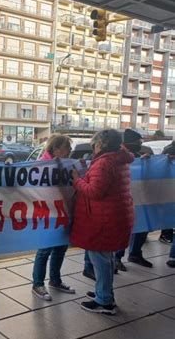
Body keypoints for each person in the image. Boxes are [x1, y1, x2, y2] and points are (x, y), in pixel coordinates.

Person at [71, 129, 134, 315]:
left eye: (95, 143)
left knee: (100, 260)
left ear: (102, 144)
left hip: (103, 218)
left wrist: (76, 180)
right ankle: (104, 293)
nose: (94, 146)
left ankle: (104, 301)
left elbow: (94, 191)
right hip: (113, 215)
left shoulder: (105, 162)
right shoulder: (116, 158)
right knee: (105, 259)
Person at [32, 134, 76, 301]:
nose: (70, 150)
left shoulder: (66, 164)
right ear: (56, 149)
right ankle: (37, 284)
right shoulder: (42, 164)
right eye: (67, 147)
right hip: (48, 213)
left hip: (64, 212)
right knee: (45, 249)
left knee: (60, 247)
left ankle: (55, 280)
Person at [114, 129, 151, 271]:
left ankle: (135, 253)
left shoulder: (137, 156)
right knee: (123, 229)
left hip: (138, 198)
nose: (139, 145)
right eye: (137, 143)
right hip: (124, 198)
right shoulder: (117, 156)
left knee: (142, 227)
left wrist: (146, 162)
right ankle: (117, 257)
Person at [159, 140, 175, 245]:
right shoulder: (170, 149)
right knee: (169, 211)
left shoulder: (169, 147)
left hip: (169, 185)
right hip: (169, 185)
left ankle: (166, 234)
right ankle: (165, 234)